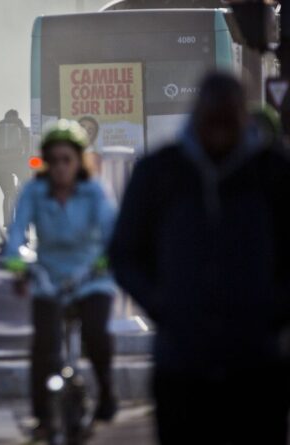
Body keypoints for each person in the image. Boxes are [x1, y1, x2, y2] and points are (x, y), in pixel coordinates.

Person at [109, 72, 290, 444]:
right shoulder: (160, 173)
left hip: (256, 364)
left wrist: (274, 309)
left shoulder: (273, 175)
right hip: (182, 364)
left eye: (228, 121)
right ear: (197, 117)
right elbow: (124, 252)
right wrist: (161, 304)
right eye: (213, 121)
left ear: (243, 119)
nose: (220, 133)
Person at [5, 119, 118, 440]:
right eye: (53, 160)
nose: (60, 168)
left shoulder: (94, 191)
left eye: (66, 159)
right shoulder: (34, 192)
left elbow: (112, 232)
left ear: (79, 161)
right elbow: (16, 233)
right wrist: (17, 264)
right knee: (43, 348)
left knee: (96, 334)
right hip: (49, 279)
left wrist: (105, 259)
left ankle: (106, 394)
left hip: (90, 278)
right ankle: (42, 417)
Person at [0, 109, 30, 226]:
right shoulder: (20, 125)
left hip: (0, 164)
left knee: (8, 193)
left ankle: (7, 221)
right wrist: (25, 158)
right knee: (26, 187)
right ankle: (24, 216)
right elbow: (28, 144)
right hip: (17, 162)